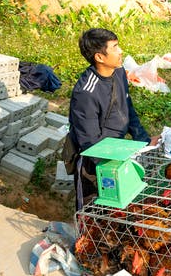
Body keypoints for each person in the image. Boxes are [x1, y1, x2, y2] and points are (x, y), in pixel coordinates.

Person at [68, 28, 158, 210]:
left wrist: (144, 141)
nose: (121, 51)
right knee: (94, 211)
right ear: (99, 57)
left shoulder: (118, 72)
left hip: (118, 151)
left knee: (121, 209)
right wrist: (115, 168)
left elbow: (128, 108)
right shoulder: (86, 93)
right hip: (95, 163)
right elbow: (91, 144)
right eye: (115, 47)